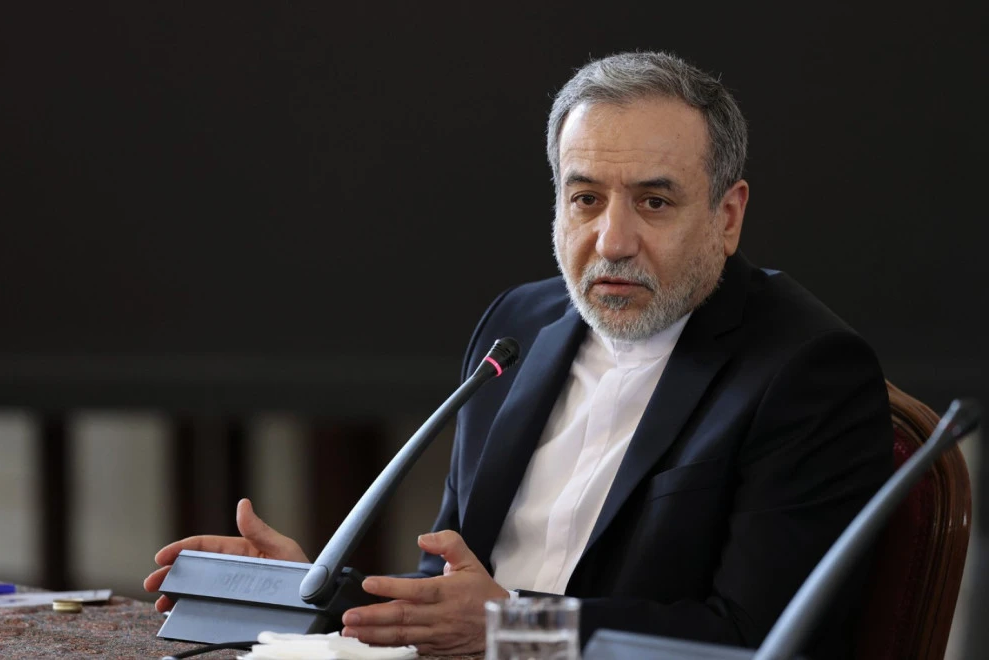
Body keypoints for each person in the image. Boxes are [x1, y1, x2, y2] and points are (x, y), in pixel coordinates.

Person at [144, 51, 893, 657]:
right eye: (586, 199)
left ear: (727, 217)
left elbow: (755, 641)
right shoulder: (518, 326)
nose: (612, 241)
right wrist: (313, 593)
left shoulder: (806, 371)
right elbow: (450, 589)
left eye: (654, 202)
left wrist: (513, 631)